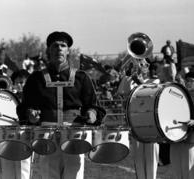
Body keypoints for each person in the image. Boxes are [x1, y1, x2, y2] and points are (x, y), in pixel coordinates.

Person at [17, 31, 105, 179]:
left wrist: (92, 114)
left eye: (63, 46)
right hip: (45, 136)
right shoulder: (35, 79)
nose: (59, 48)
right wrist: (30, 114)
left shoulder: (81, 77)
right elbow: (24, 107)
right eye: (55, 46)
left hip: (74, 136)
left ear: (68, 51)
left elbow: (92, 105)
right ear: (48, 51)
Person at [117, 57, 159, 179]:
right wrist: (127, 76)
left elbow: (151, 92)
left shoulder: (154, 80)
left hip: (151, 123)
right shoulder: (130, 80)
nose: (140, 65)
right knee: (139, 157)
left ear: (147, 66)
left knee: (151, 157)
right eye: (138, 63)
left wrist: (138, 81)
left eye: (142, 63)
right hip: (136, 121)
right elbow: (121, 91)